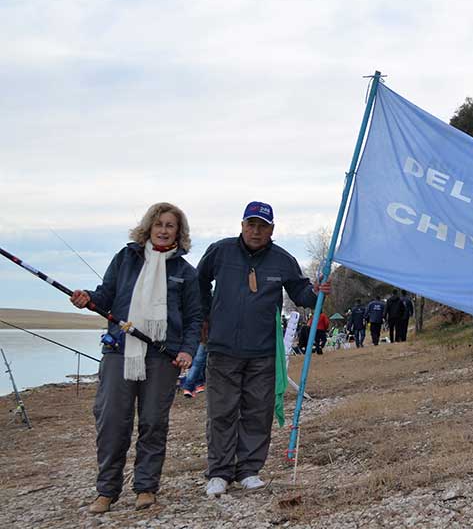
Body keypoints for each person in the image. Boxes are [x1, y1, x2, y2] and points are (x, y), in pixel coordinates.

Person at [70, 202, 201, 514]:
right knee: (112, 422)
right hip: (119, 350)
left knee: (154, 423)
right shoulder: (125, 258)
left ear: (179, 232)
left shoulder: (186, 272)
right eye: (159, 224)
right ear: (148, 227)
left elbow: (195, 318)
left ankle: (146, 487)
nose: (164, 230)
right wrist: (86, 298)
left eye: (171, 225)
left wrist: (187, 350)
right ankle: (106, 491)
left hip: (163, 356)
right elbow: (104, 296)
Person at [197, 201, 330, 497]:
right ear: (242, 225)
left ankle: (248, 470)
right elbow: (199, 282)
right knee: (222, 412)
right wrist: (204, 316)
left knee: (257, 412)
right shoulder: (220, 252)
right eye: (251, 224)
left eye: (263, 226)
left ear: (272, 229)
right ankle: (219, 473)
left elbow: (301, 292)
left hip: (263, 351)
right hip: (222, 348)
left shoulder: (282, 259)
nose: (256, 231)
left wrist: (317, 291)